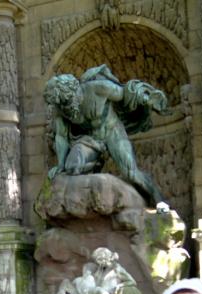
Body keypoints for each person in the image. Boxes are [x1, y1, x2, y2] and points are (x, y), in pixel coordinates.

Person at [44, 64, 169, 207]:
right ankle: (89, 203)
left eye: (62, 101)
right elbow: (61, 136)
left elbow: (125, 94)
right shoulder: (61, 109)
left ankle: (159, 201)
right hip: (89, 139)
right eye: (58, 103)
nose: (61, 106)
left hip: (112, 131)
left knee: (131, 173)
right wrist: (60, 165)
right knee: (72, 166)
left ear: (69, 93)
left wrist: (147, 99)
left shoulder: (97, 88)